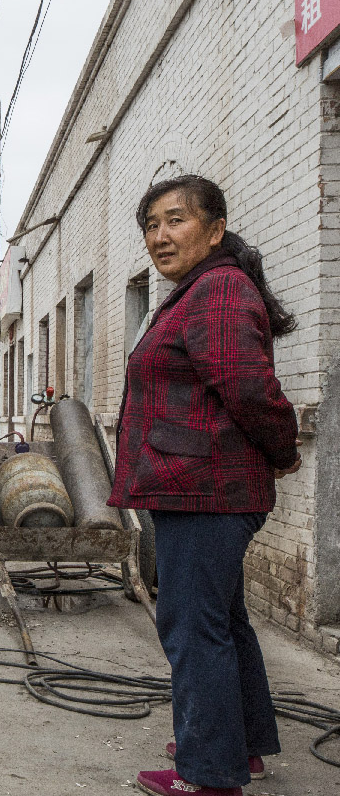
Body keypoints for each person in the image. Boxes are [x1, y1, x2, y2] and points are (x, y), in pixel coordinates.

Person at [108, 175, 302, 796]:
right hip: (200, 486)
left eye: (175, 221)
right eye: (150, 225)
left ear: (215, 230)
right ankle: (237, 745)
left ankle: (209, 774)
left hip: (205, 489)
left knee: (194, 628)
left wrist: (284, 451)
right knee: (223, 618)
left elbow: (250, 389)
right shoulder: (199, 289)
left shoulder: (216, 290)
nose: (158, 236)